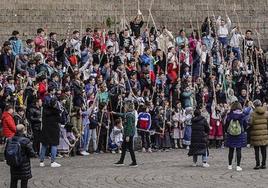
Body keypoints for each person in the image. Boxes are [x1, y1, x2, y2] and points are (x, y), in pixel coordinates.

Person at [113, 101, 137, 167]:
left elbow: (129, 126)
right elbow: (123, 115)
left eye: (125, 106)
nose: (124, 107)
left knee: (130, 148)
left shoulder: (129, 115)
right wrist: (115, 113)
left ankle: (134, 162)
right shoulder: (128, 114)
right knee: (124, 147)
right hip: (127, 134)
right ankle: (121, 161)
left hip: (128, 134)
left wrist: (128, 136)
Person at [39, 98, 62, 168]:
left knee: (44, 145)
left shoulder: (45, 110)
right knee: (54, 145)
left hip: (45, 129)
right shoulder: (56, 112)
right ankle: (53, 161)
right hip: (54, 129)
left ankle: (41, 161)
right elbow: (60, 120)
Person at [225, 101, 247, 171]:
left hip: (231, 134)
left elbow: (226, 123)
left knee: (231, 150)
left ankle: (230, 165)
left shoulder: (230, 114)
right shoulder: (242, 115)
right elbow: (245, 124)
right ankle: (238, 166)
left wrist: (226, 131)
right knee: (238, 149)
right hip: (239, 134)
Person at [250, 100, 268, 169]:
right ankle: (263, 164)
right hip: (264, 134)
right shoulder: (266, 113)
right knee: (264, 150)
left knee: (256, 150)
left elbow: (250, 123)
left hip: (255, 134)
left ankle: (257, 164)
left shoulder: (253, 113)